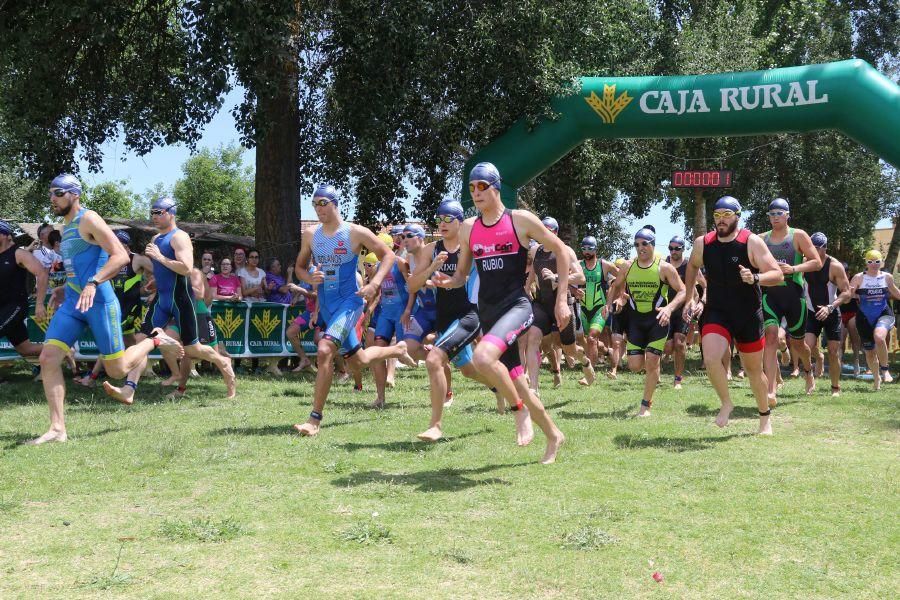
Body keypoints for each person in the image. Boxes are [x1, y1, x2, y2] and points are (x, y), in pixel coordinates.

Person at [31, 175, 184, 444]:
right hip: (74, 303)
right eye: (51, 193)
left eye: (58, 193)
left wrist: (93, 282)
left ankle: (155, 339)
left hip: (99, 301)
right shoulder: (65, 227)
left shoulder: (89, 219)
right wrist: (65, 288)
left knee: (117, 370)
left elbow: (120, 256)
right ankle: (57, 428)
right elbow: (80, 266)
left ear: (74, 194)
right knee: (48, 358)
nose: (52, 198)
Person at [432, 162, 565, 464]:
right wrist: (448, 281)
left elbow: (559, 249)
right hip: (488, 313)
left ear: (496, 187)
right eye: (471, 187)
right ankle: (554, 434)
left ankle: (519, 413)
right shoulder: (469, 228)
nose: (475, 192)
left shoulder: (520, 220)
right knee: (519, 383)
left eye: (481, 186)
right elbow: (463, 274)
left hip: (517, 307)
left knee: (482, 358)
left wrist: (561, 300)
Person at [293, 184, 415, 437]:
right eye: (315, 203)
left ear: (336, 204)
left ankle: (314, 418)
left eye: (324, 203)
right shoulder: (310, 234)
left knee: (325, 349)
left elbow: (388, 256)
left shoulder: (354, 232)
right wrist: (309, 276)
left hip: (349, 302)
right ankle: (396, 349)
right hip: (326, 305)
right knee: (358, 360)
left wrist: (375, 285)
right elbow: (299, 269)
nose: (319, 208)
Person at [102, 197, 237, 404]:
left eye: (159, 212)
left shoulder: (179, 237)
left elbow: (185, 267)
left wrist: (160, 257)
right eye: (152, 213)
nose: (154, 216)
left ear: (171, 213)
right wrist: (155, 281)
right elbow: (164, 270)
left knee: (192, 350)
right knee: (142, 341)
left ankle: (223, 363)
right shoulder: (156, 239)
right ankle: (129, 390)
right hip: (161, 300)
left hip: (181, 301)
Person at [682, 196, 784, 435]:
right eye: (717, 215)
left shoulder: (751, 242)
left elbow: (777, 274)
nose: (721, 220)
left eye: (726, 215)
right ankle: (726, 402)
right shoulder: (703, 243)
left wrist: (755, 278)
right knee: (710, 357)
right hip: (717, 311)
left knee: (753, 371)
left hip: (747, 314)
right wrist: (689, 297)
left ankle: (764, 419)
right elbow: (692, 267)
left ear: (738, 216)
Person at [408, 199, 503, 441]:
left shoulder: (470, 247)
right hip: (445, 318)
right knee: (469, 370)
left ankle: (435, 425)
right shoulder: (431, 250)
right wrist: (431, 268)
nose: (443, 223)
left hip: (469, 315)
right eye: (440, 218)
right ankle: (498, 387)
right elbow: (412, 285)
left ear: (460, 222)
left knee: (433, 360)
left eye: (449, 218)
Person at [607, 228, 686, 416]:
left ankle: (645, 405)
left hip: (657, 319)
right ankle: (653, 366)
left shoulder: (664, 267)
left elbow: (682, 291)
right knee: (634, 366)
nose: (640, 247)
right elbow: (616, 285)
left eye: (644, 243)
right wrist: (610, 302)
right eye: (636, 244)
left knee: (651, 360)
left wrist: (669, 308)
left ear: (652, 244)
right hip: (636, 321)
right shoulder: (628, 266)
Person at [760, 198, 822, 402]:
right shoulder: (761, 239)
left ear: (787, 215)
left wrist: (794, 268)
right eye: (772, 214)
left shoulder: (798, 235)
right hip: (771, 295)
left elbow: (817, 262)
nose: (775, 217)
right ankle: (771, 389)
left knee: (799, 345)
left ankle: (808, 371)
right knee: (770, 338)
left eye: (779, 213)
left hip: (795, 297)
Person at [75, 229, 154, 387]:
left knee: (109, 340)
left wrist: (156, 290)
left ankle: (92, 377)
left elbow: (160, 272)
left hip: (130, 308)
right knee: (131, 343)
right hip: (114, 308)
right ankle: (142, 369)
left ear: (124, 244)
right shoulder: (109, 260)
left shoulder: (136, 259)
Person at [523, 216, 593, 392]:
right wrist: (526, 288)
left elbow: (581, 277)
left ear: (555, 232)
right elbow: (533, 273)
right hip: (541, 303)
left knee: (569, 350)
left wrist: (556, 277)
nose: (545, 232)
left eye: (549, 229)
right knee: (533, 339)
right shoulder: (535, 250)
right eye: (542, 229)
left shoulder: (565, 250)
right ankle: (534, 388)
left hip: (562, 303)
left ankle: (585, 361)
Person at [803, 233, 851, 396]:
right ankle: (810, 375)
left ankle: (835, 387)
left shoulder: (834, 266)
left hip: (831, 313)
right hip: (811, 311)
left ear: (825, 248)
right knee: (806, 347)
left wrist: (830, 307)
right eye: (811, 247)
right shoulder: (804, 262)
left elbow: (847, 293)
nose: (813, 251)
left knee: (833, 351)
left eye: (817, 248)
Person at [849, 249, 900, 390]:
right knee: (870, 352)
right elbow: (848, 294)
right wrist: (848, 296)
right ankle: (876, 377)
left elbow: (896, 292)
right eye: (870, 261)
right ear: (866, 262)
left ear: (881, 262)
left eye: (877, 261)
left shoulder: (887, 277)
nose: (874, 264)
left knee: (879, 336)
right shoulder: (859, 277)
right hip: (864, 318)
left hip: (884, 314)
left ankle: (885, 369)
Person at [0, 219, 49, 359]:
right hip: (2, 308)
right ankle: (64, 351)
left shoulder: (19, 254)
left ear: (4, 234)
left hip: (15, 307)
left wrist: (40, 304)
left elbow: (42, 273)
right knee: (26, 349)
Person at [663, 235, 705, 390]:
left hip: (684, 310)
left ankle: (678, 379)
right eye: (671, 248)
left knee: (680, 343)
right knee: (668, 347)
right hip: (666, 309)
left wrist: (700, 302)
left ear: (683, 249)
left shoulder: (689, 265)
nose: (673, 251)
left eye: (677, 248)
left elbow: (704, 286)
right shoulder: (663, 264)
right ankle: (662, 361)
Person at [575, 235, 618, 383]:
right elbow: (566, 280)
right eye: (584, 248)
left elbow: (622, 278)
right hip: (583, 308)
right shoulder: (577, 265)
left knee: (592, 338)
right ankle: (607, 351)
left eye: (590, 249)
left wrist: (618, 297)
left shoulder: (604, 265)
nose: (586, 252)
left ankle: (589, 374)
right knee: (589, 340)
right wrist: (574, 291)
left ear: (595, 249)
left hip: (600, 308)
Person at [401, 223, 438, 363]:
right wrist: (408, 309)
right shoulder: (409, 258)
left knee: (465, 365)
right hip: (425, 311)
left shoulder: (433, 254)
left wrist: (428, 283)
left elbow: (448, 281)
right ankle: (435, 357)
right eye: (403, 237)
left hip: (442, 310)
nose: (405, 240)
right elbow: (413, 288)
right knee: (409, 348)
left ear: (421, 237)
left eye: (409, 236)